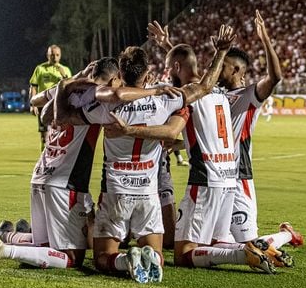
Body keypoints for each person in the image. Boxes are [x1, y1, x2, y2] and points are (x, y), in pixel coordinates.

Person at [0, 57, 175, 272]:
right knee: (72, 258)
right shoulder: (98, 97)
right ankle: (3, 248)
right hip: (65, 183)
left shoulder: (68, 89)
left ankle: (6, 235)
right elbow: (121, 95)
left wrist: (70, 80)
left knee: (45, 246)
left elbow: (36, 102)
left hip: (41, 175)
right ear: (114, 78)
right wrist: (155, 88)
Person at [57, 25, 236, 283]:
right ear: (147, 74)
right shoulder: (166, 98)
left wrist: (66, 87)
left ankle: (124, 260)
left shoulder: (107, 105)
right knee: (157, 253)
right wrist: (220, 52)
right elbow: (205, 86)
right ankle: (147, 256)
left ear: (120, 73)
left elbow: (63, 117)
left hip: (116, 192)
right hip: (149, 195)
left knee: (102, 259)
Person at [105, 20, 276, 274]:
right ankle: (249, 247)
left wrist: (130, 129)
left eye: (168, 68)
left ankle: (242, 253)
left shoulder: (184, 93)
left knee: (183, 253)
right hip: (230, 181)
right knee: (215, 242)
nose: (166, 74)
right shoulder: (218, 93)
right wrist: (168, 45)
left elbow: (175, 112)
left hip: (205, 180)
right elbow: (195, 78)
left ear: (175, 68)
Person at [217, 11, 303, 256]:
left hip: (239, 176)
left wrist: (265, 38)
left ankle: (286, 234)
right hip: (214, 177)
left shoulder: (249, 96)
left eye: (222, 65)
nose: (216, 68)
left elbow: (275, 77)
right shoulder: (214, 95)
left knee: (252, 246)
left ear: (236, 70)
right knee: (214, 240)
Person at [29, 45, 72, 150]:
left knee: (61, 134)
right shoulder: (40, 69)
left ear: (60, 56)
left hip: (59, 106)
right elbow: (33, 87)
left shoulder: (65, 70)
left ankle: (57, 160)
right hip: (43, 105)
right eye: (52, 55)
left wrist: (64, 76)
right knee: (44, 136)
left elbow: (71, 88)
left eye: (57, 55)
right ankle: (44, 160)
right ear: (48, 55)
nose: (55, 57)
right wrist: (32, 105)